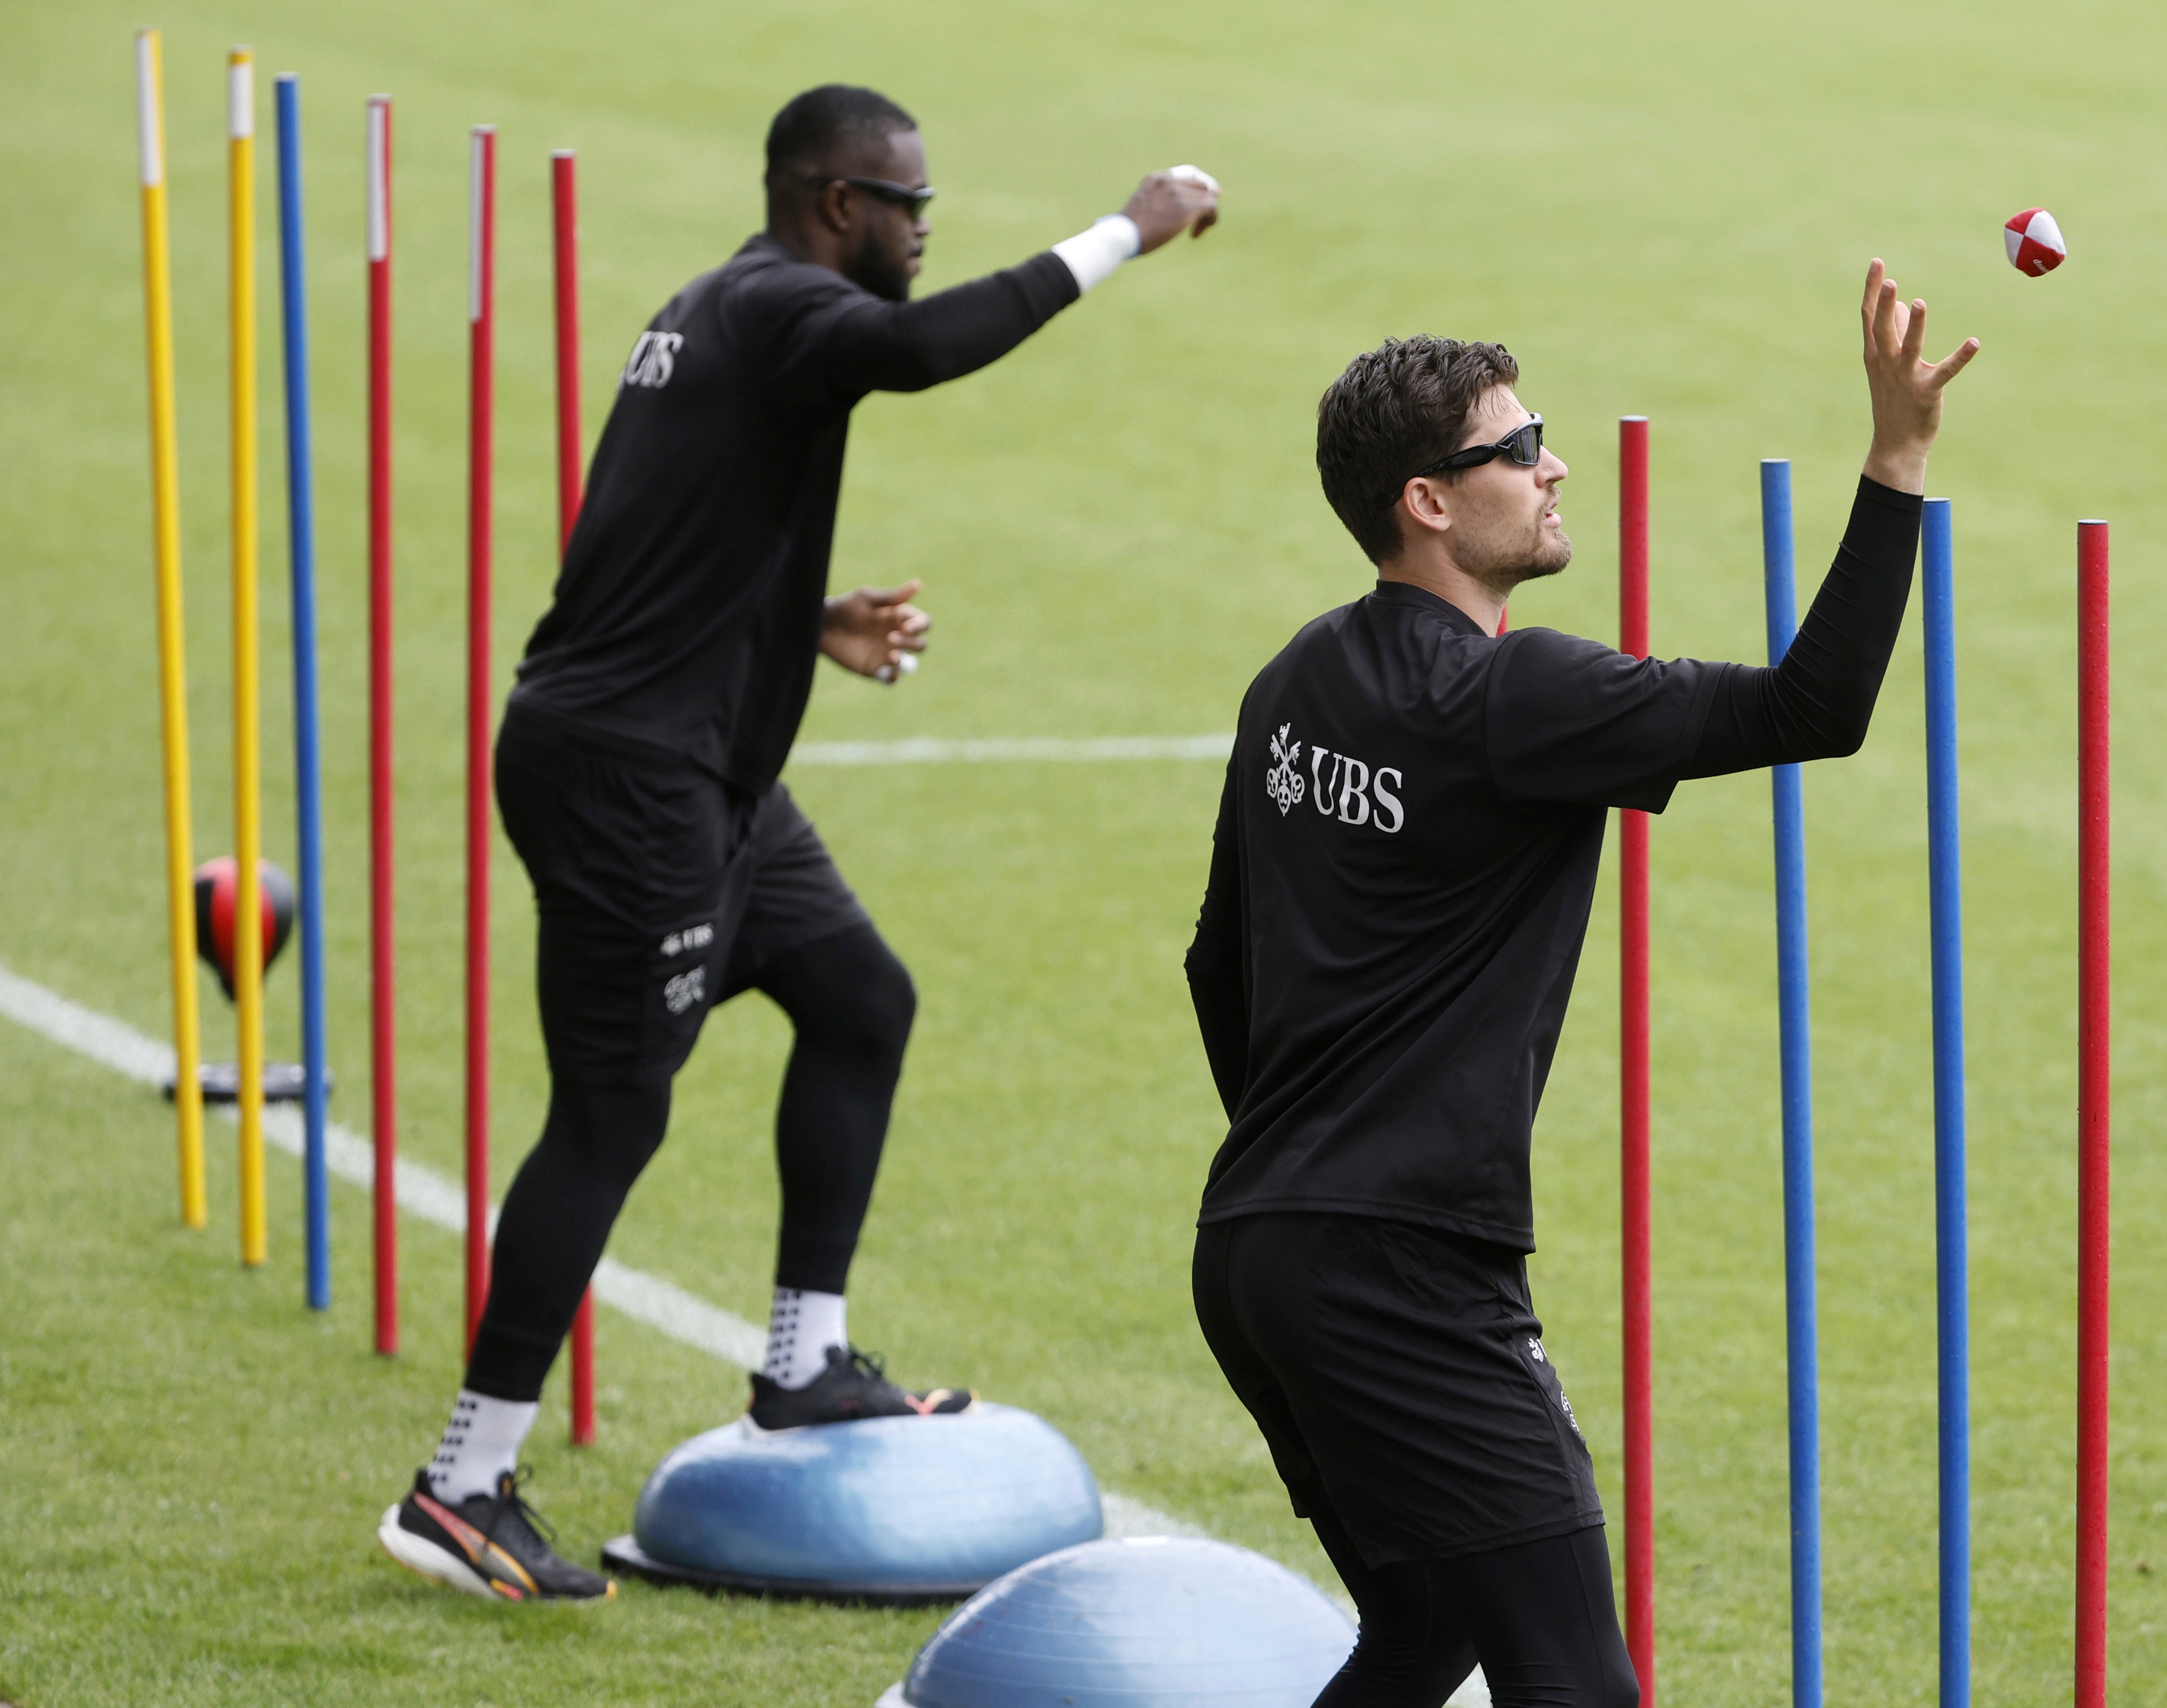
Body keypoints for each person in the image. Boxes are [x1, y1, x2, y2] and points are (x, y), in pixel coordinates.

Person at [377, 83, 1221, 1605]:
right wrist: (1129, 229)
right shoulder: (787, 309)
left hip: (705, 770)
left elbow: (655, 538)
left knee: (859, 999)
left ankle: (803, 1359)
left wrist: (797, 619)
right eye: (909, 209)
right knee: (612, 1114)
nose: (917, 232)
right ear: (839, 205)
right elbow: (920, 350)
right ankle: (461, 1478)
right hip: (632, 780)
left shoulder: (715, 309)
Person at [1184, 264, 1976, 1704]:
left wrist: (1307, 1163)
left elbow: (1209, 964)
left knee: (1425, 1631)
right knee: (1573, 1677)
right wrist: (1896, 457)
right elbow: (1817, 707)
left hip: (1255, 1246)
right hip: (1401, 1268)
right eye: (1516, 446)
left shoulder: (1291, 680)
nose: (1553, 467)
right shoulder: (1518, 693)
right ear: (1429, 499)